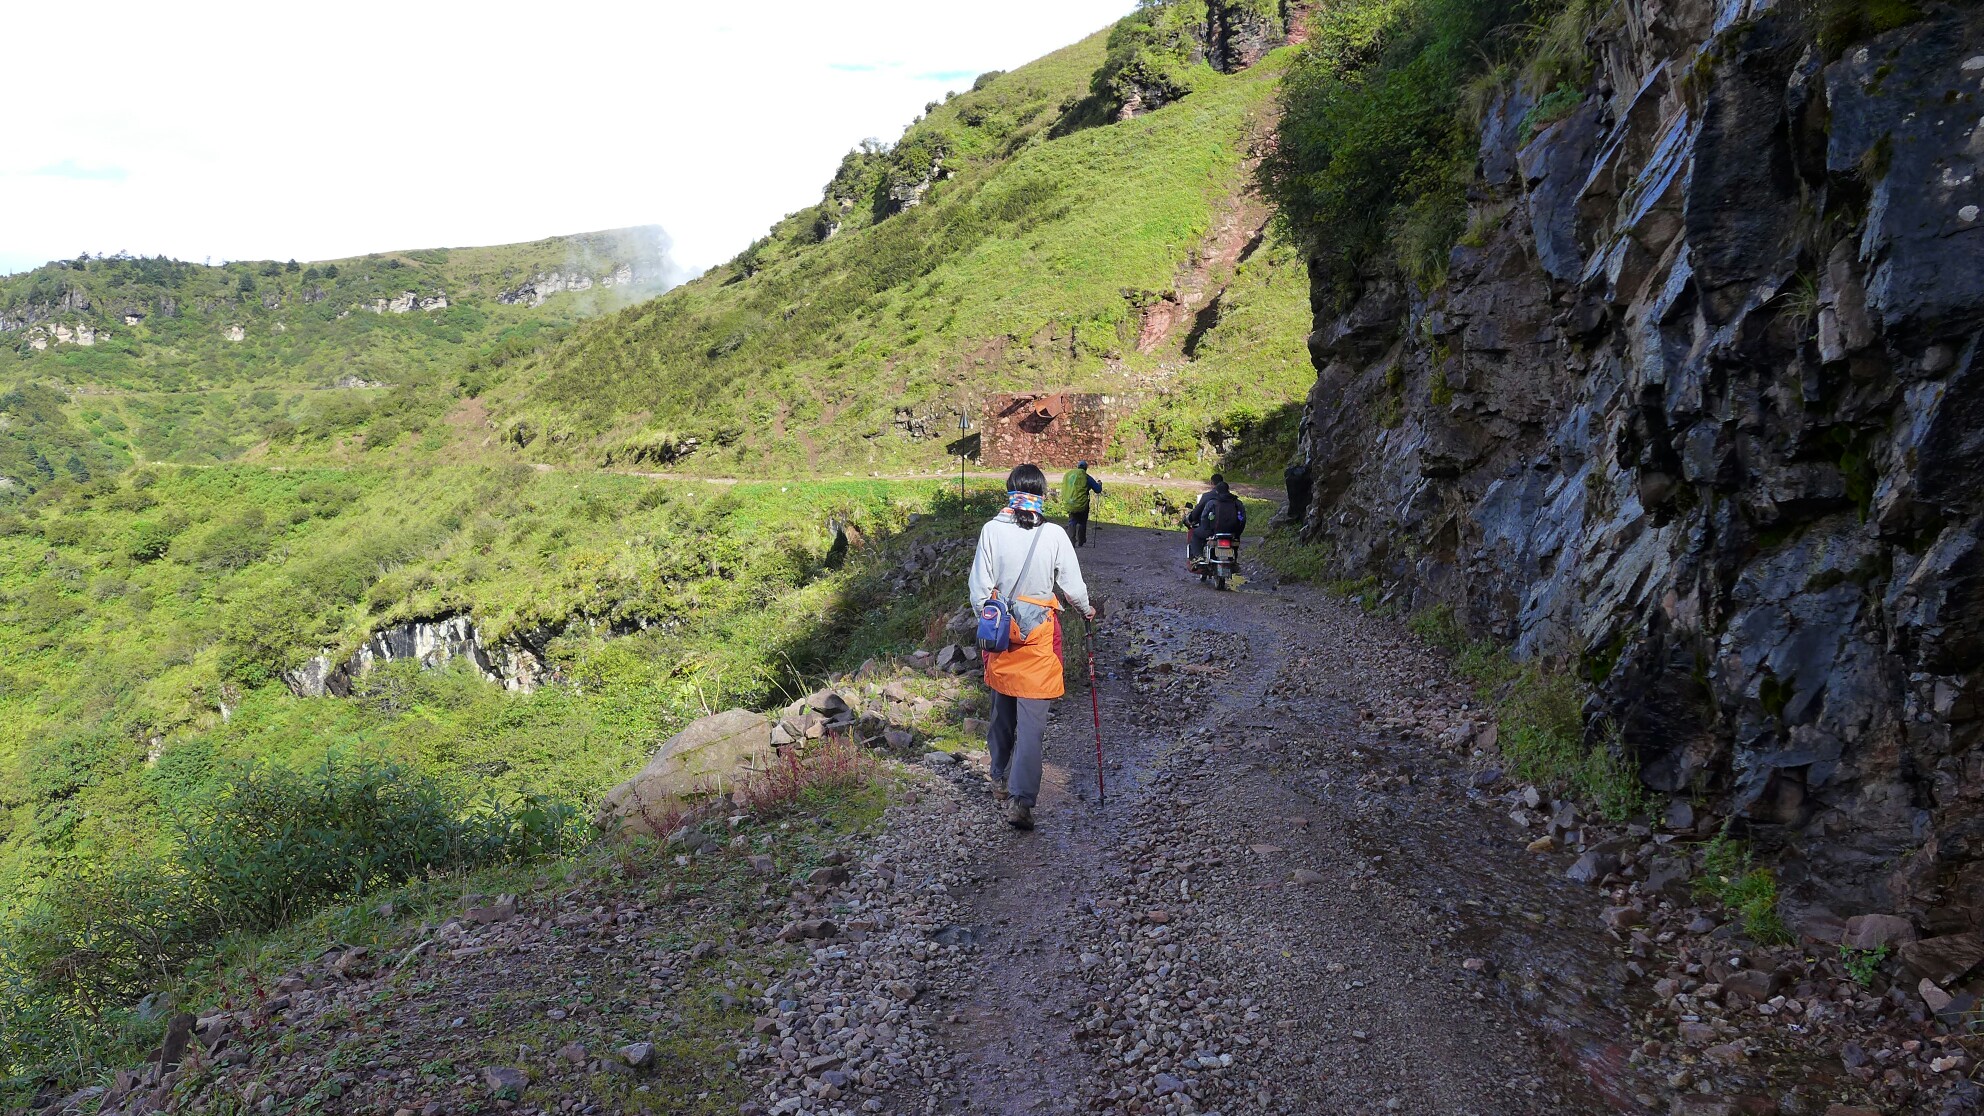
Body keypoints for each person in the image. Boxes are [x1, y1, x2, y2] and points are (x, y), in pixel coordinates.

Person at [969, 464, 1094, 831]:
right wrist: (1087, 611)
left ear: (1009, 492)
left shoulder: (991, 531)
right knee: (1031, 728)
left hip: (1002, 636)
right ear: (1042, 495)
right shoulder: (1054, 535)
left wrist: (996, 620)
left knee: (1001, 711)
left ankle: (998, 777)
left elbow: (979, 590)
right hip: (1039, 639)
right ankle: (1021, 802)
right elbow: (1072, 585)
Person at [1187, 478, 1246, 562]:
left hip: (1214, 532)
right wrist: (1237, 532)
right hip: (1232, 532)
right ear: (1228, 490)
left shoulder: (1213, 502)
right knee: (1235, 543)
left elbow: (1204, 517)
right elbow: (1242, 518)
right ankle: (1234, 561)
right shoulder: (1237, 503)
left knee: (1196, 534)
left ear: (1217, 491)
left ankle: (1198, 556)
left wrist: (1207, 529)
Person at [1062, 460, 1103, 547]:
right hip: (1083, 504)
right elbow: (1097, 490)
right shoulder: (1086, 477)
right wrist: (1099, 484)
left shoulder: (1071, 475)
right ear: (1085, 468)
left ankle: (1071, 541)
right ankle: (1081, 540)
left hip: (1071, 502)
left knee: (1072, 521)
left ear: (1078, 467)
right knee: (1082, 522)